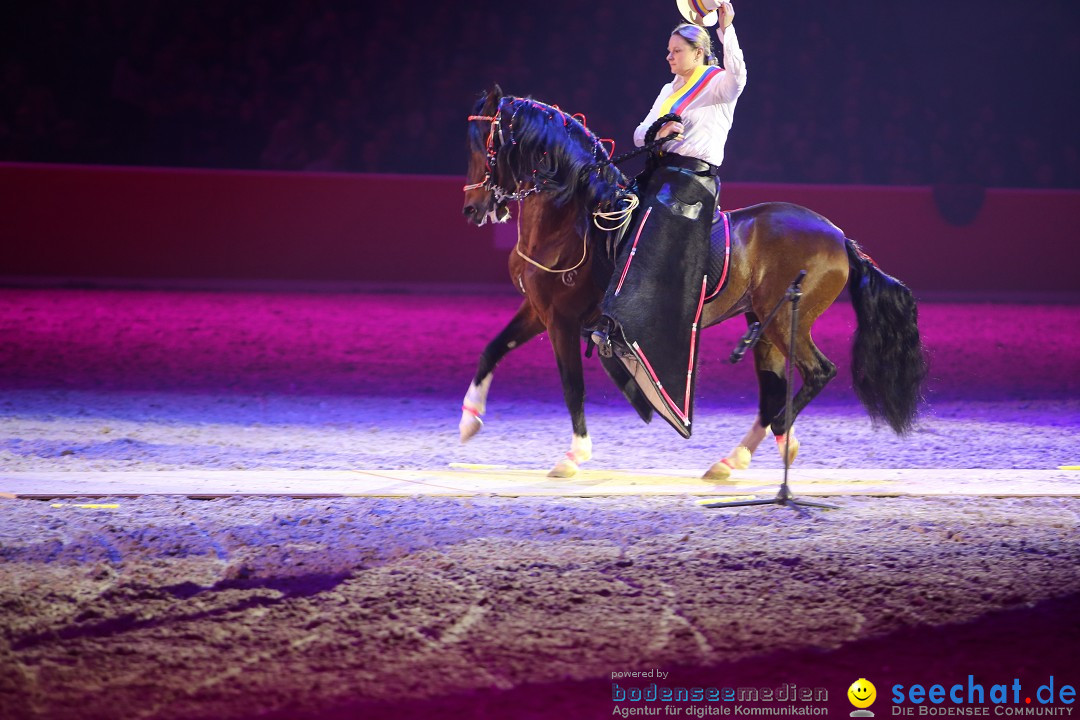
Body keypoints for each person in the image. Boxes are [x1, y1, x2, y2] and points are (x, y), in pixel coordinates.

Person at [591, 3, 747, 438]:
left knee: (654, 226)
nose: (669, 56)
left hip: (692, 184)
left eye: (676, 50)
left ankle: (626, 322)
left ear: (699, 52)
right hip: (660, 173)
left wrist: (728, 30)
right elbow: (640, 134)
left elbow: (740, 81)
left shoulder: (716, 84)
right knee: (607, 212)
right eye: (668, 50)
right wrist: (658, 130)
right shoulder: (669, 88)